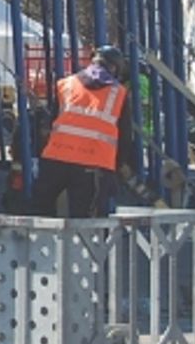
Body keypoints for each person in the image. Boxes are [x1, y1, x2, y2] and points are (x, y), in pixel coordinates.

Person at [29, 45, 133, 218]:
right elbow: (125, 137)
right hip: (94, 165)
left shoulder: (66, 85)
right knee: (89, 222)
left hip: (55, 160)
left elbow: (49, 125)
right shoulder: (119, 94)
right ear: (114, 68)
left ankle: (40, 245)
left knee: (40, 213)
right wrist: (118, 166)